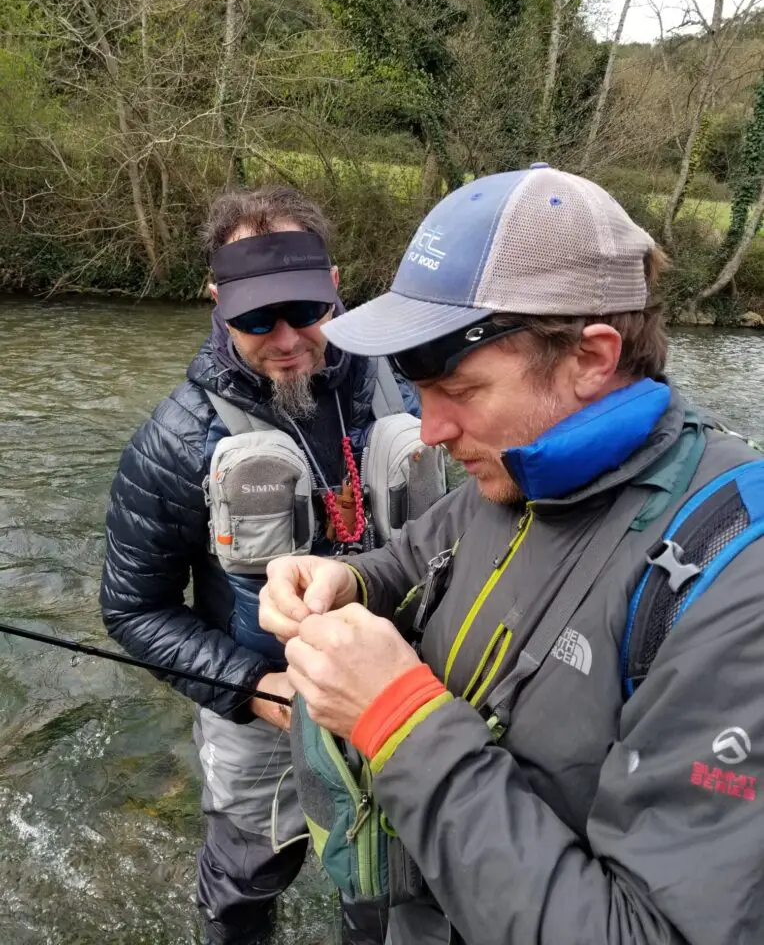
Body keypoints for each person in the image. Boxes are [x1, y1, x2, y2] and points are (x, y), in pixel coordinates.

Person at [260, 164, 764, 945]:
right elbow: (418, 561)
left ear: (591, 358)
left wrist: (398, 723)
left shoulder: (737, 579)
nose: (428, 430)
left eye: (458, 390)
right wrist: (347, 580)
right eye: (413, 389)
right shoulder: (517, 466)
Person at [99, 185, 420, 945]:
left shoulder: (407, 386)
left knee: (390, 892)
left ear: (336, 286)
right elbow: (132, 609)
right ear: (216, 302)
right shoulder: (176, 441)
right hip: (260, 709)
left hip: (404, 694)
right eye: (254, 319)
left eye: (305, 311)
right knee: (244, 889)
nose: (285, 339)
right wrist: (251, 687)